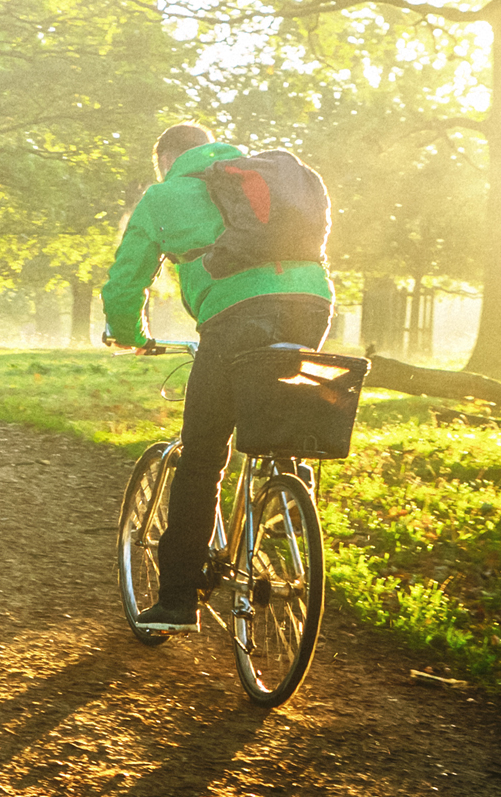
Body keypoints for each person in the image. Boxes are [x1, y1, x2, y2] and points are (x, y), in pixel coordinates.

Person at [100, 122, 333, 632]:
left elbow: (127, 278)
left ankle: (178, 601)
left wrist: (129, 333)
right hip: (312, 304)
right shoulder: (264, 180)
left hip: (234, 317)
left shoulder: (165, 196)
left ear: (165, 159)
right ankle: (286, 494)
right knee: (277, 413)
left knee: (202, 456)